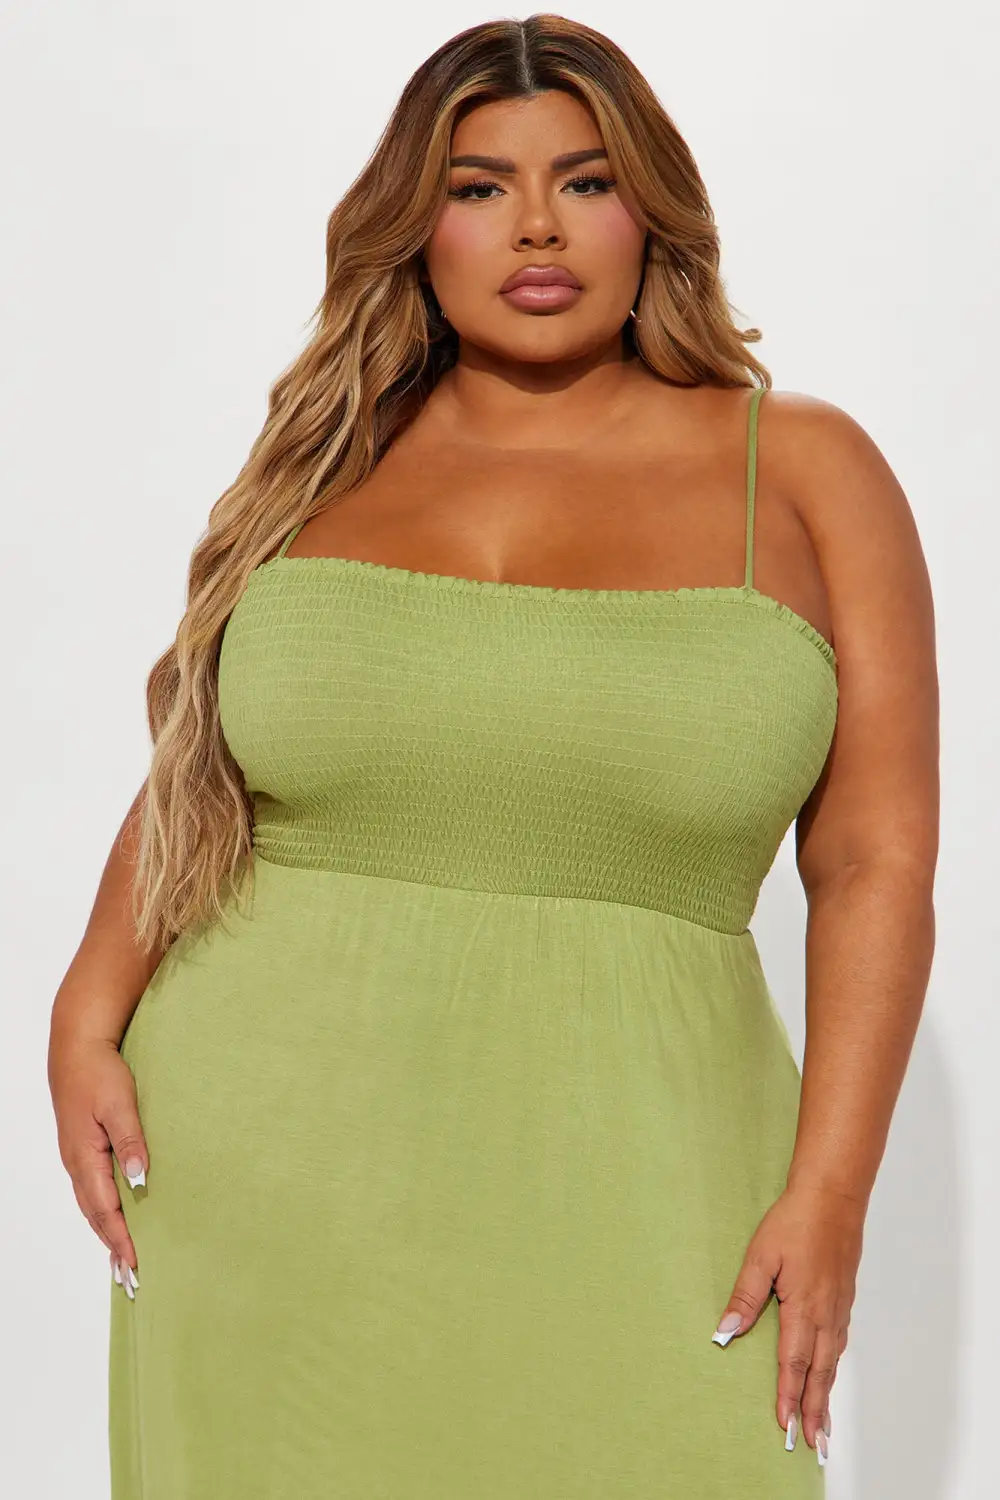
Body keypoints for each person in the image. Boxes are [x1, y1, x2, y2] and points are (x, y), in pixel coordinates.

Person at [47, 14, 939, 1499]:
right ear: (418, 227)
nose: (536, 225)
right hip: (265, 1181)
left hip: (656, 1183)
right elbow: (204, 765)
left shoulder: (802, 472)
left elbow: (872, 864)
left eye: (585, 181)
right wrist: (87, 1004)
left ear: (652, 213)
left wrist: (833, 1191)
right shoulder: (325, 460)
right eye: (478, 187)